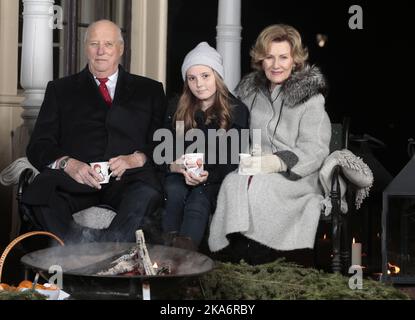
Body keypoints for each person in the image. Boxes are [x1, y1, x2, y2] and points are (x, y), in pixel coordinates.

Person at [22, 20, 166, 243]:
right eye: (94, 44)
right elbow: (38, 145)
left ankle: (104, 256)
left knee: (147, 194)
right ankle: (76, 253)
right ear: (85, 48)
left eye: (108, 44)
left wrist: (135, 159)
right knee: (41, 192)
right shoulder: (60, 90)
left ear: (121, 49)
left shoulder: (150, 90)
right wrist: (68, 164)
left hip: (129, 180)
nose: (101, 51)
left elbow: (163, 143)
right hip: (75, 181)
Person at [208, 24, 332, 264]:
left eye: (283, 57)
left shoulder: (311, 99)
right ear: (260, 60)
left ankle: (256, 254)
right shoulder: (248, 94)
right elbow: (236, 133)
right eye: (269, 57)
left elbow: (315, 150)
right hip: (252, 168)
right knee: (233, 182)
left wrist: (276, 162)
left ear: (295, 60)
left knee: (260, 187)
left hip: (295, 176)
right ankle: (233, 250)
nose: (276, 65)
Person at [162, 42, 249, 251]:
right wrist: (175, 165)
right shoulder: (177, 108)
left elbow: (234, 161)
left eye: (205, 76)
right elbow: (163, 150)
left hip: (216, 179)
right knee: (174, 191)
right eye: (192, 78)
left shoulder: (236, 111)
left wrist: (209, 174)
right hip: (181, 175)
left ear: (217, 77)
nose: (199, 84)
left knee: (198, 199)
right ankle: (165, 255)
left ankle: (183, 260)